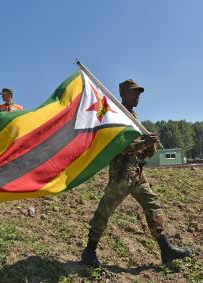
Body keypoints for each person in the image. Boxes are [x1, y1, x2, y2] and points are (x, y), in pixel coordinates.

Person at [81, 79, 191, 267]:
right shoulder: (115, 116)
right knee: (105, 211)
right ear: (122, 95)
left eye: (139, 93)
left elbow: (137, 147)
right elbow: (117, 145)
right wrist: (143, 143)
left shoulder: (134, 116)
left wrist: (149, 147)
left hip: (137, 173)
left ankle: (166, 249)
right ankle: (89, 251)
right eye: (133, 92)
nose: (137, 96)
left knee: (153, 205)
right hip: (121, 175)